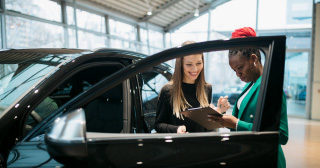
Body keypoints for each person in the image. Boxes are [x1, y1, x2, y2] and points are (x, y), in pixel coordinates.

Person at [208, 27, 289, 168]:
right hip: (249, 154)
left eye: (240, 67)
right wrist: (221, 114)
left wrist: (236, 124)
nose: (237, 74)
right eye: (234, 70)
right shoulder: (249, 85)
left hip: (265, 158)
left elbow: (281, 135)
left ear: (253, 59)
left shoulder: (270, 86)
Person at [155, 41, 230, 134]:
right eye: (189, 64)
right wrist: (176, 130)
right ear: (180, 64)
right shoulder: (168, 91)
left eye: (199, 63)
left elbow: (207, 126)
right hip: (177, 146)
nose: (195, 69)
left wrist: (219, 112)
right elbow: (158, 125)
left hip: (201, 145)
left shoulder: (207, 89)